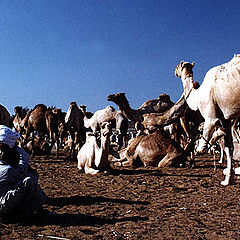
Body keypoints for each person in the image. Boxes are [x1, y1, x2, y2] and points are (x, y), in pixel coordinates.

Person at [0, 125, 48, 221]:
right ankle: (39, 210)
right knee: (29, 180)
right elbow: (21, 172)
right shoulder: (8, 169)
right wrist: (22, 155)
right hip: (2, 207)